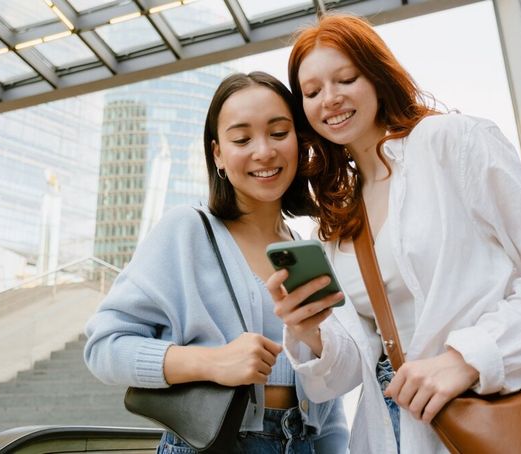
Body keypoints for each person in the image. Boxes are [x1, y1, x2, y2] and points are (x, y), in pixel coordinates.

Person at [265, 13, 521, 454]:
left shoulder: (452, 143)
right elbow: (350, 369)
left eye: (345, 79)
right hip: (394, 430)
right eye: (311, 92)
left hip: (496, 411)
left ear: (376, 74)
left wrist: (469, 357)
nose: (329, 99)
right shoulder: (339, 219)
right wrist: (310, 330)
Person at [84, 71, 349, 453]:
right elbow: (104, 347)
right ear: (218, 154)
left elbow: (329, 400)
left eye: (278, 133)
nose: (264, 151)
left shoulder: (309, 251)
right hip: (214, 443)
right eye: (242, 139)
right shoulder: (186, 230)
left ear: (300, 142)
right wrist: (210, 362)